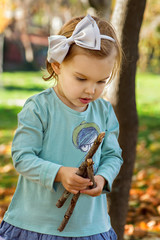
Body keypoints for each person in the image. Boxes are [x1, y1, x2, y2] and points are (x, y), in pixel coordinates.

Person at [0, 14, 123, 240]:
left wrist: (103, 178)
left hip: (91, 227)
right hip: (35, 224)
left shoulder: (104, 112)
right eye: (81, 79)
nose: (91, 90)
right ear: (57, 66)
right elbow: (22, 156)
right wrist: (58, 173)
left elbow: (113, 155)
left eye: (101, 81)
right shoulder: (39, 108)